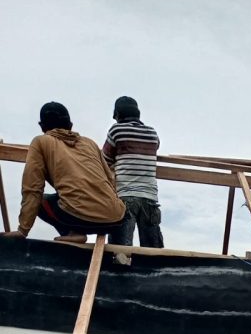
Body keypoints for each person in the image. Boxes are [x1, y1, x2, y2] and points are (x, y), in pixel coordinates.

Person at [1, 102, 125, 243]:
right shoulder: (89, 143)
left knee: (40, 202)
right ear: (70, 125)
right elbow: (110, 179)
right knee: (68, 199)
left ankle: (72, 233)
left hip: (81, 218)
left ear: (42, 126)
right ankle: (76, 231)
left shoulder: (41, 142)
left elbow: (32, 188)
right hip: (115, 218)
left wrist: (22, 230)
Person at [103, 96, 163, 250]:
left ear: (118, 114)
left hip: (125, 196)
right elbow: (155, 147)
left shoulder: (117, 130)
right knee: (153, 253)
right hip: (149, 198)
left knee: (120, 251)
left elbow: (105, 161)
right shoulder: (152, 133)